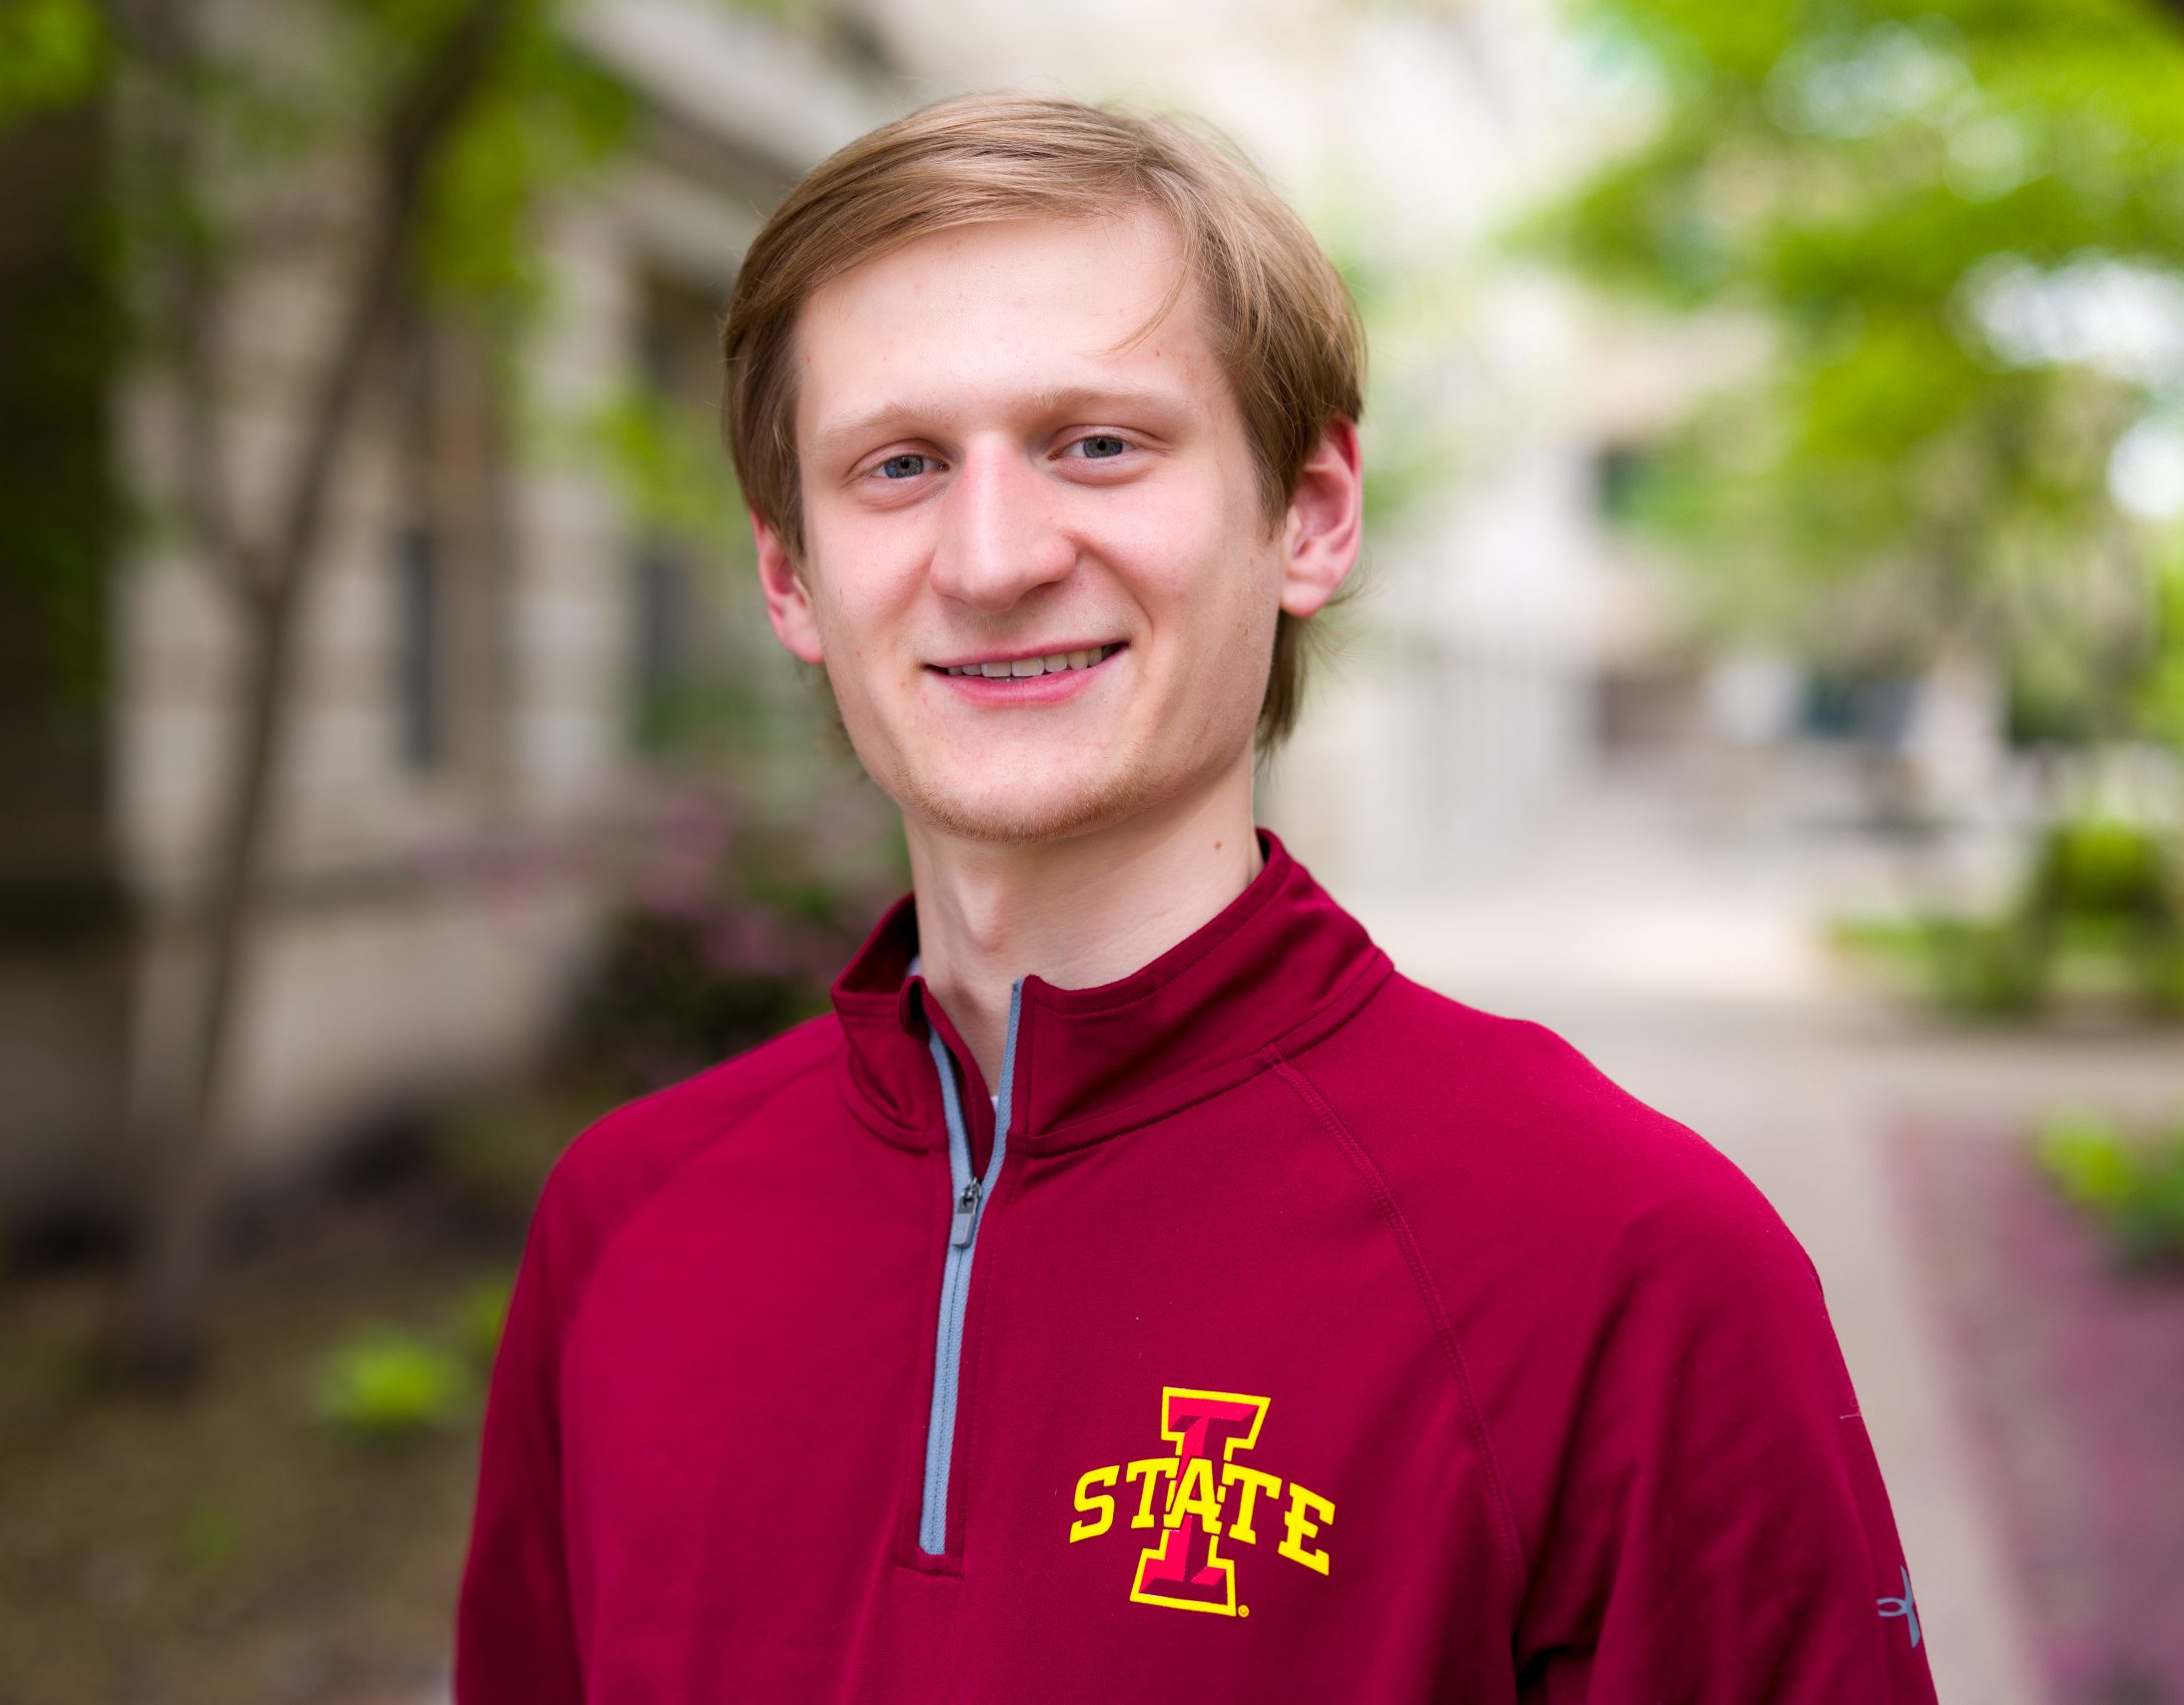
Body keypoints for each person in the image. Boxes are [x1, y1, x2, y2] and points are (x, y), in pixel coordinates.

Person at [453, 92, 1940, 1703]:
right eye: (898, 464)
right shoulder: (623, 1227)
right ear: (790, 578)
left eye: (1098, 442)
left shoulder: (1625, 1269)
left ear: (1310, 515)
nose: (994, 554)